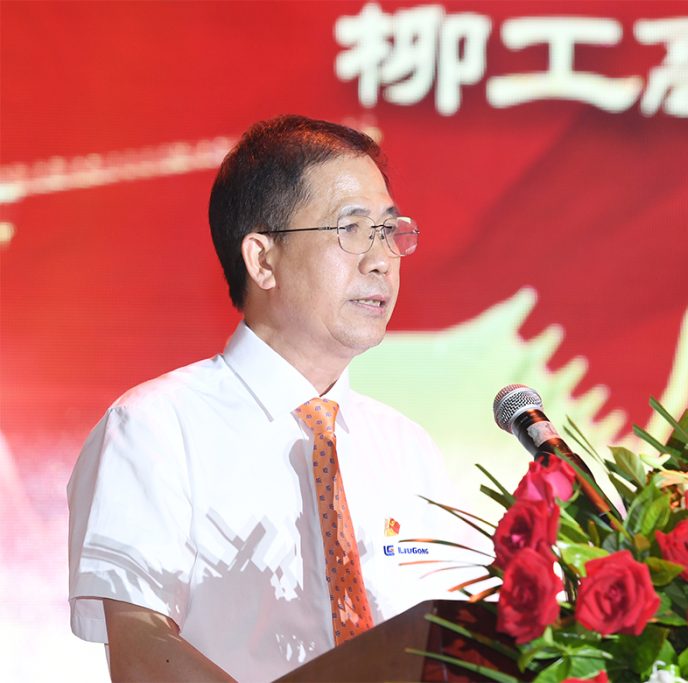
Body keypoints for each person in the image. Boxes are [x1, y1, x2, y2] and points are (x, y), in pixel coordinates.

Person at [67, 115, 469, 682]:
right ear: (262, 260)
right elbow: (140, 652)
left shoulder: (408, 448)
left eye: (388, 231)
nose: (381, 259)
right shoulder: (154, 428)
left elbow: (459, 649)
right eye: (352, 229)